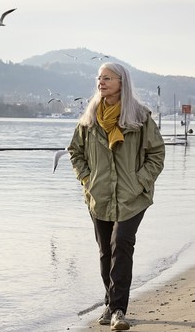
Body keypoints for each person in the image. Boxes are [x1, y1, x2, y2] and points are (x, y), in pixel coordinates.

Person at [68, 62, 165, 330]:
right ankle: (110, 304)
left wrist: (140, 181)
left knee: (121, 243)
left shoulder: (141, 117)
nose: (101, 82)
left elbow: (156, 154)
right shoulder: (89, 118)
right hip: (99, 195)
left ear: (122, 82)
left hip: (132, 197)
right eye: (99, 78)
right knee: (105, 251)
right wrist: (87, 179)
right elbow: (75, 152)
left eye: (108, 78)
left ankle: (119, 310)